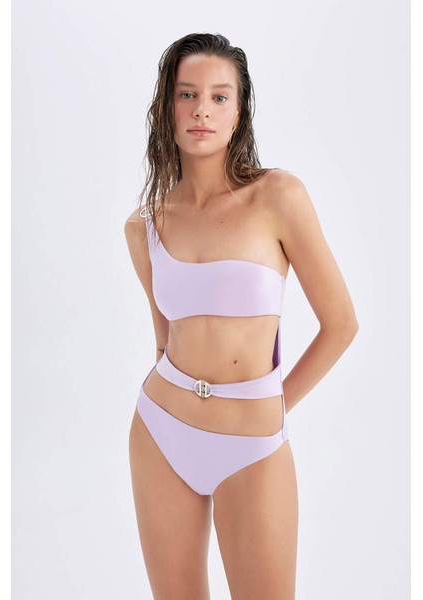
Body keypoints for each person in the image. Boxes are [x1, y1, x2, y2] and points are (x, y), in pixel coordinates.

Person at [124, 32, 359, 600]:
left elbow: (341, 323)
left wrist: (273, 406)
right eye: (187, 94)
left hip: (253, 444)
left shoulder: (279, 197)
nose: (202, 109)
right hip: (161, 431)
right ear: (166, 109)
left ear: (239, 113)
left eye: (219, 96)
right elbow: (166, 342)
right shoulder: (144, 226)